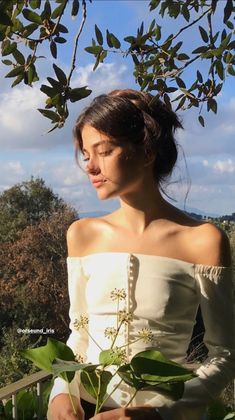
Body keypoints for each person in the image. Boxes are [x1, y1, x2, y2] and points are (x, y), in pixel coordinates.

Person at [47, 89, 235, 420]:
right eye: (86, 155)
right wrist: (61, 394)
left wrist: (159, 412)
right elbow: (80, 333)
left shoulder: (203, 240)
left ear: (146, 152)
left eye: (103, 151)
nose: (91, 167)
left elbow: (226, 354)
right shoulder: (82, 235)